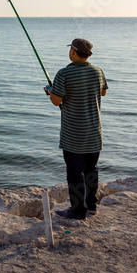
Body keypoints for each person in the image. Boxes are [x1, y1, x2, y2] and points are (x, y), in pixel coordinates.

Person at [44, 38, 108, 220]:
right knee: (91, 170)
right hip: (94, 132)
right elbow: (103, 91)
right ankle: (91, 206)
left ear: (73, 51)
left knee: (74, 172)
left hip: (73, 134)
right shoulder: (98, 71)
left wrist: (51, 91)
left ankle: (78, 211)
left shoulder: (64, 73)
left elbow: (57, 101)